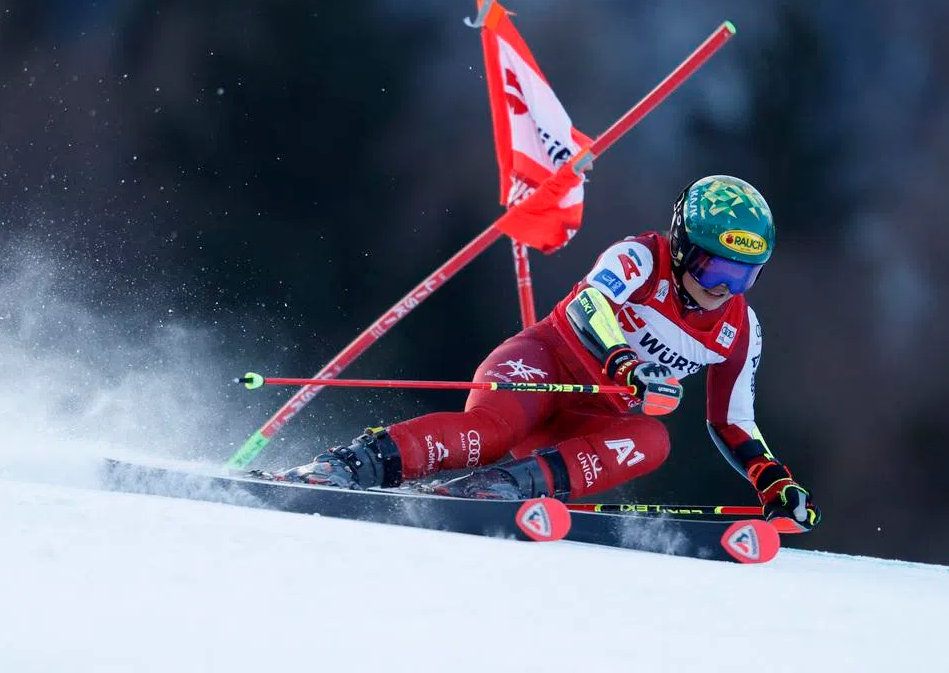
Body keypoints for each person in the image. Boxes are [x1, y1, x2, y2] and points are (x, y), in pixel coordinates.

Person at [264, 175, 820, 532]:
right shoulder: (639, 259)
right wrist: (627, 365)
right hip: (541, 369)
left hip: (586, 423)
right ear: (681, 247)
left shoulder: (740, 329)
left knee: (654, 439)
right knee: (489, 435)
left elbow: (732, 419)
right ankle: (351, 464)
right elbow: (588, 307)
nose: (722, 288)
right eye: (712, 268)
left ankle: (505, 489)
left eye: (742, 275)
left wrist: (772, 480)